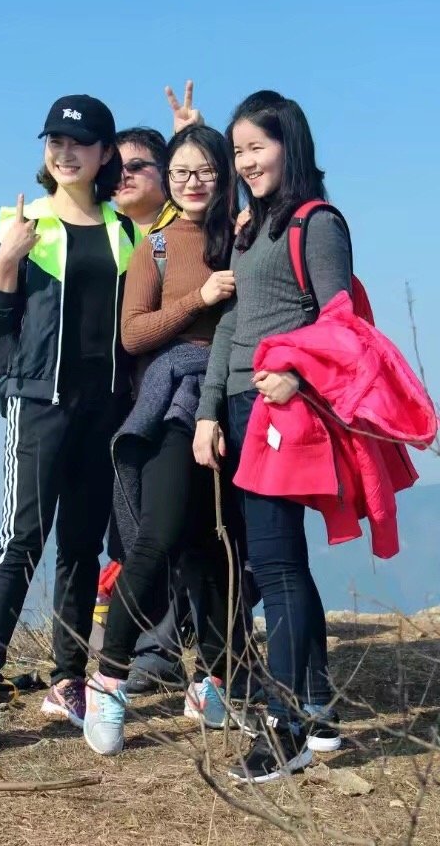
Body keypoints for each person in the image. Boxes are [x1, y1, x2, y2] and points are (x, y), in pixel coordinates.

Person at [0, 95, 141, 759]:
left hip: (103, 407)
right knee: (22, 538)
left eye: (79, 143)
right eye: (55, 142)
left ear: (104, 152)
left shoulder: (123, 228)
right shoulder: (23, 220)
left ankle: (67, 680)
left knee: (81, 546)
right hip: (39, 402)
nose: (64, 153)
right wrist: (9, 260)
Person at [193, 90, 351, 782]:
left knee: (276, 564)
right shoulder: (252, 227)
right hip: (237, 406)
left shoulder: (318, 223)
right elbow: (233, 322)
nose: (246, 162)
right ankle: (316, 707)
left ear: (290, 144)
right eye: (239, 152)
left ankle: (284, 729)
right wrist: (207, 410)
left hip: (281, 408)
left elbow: (339, 321)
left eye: (257, 147)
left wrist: (299, 377)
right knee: (281, 560)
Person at [84, 124, 250, 756]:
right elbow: (133, 335)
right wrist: (198, 300)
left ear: (223, 175)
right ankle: (108, 682)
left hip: (235, 403)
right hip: (173, 406)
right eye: (181, 172)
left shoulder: (241, 235)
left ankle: (214, 680)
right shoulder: (153, 247)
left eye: (205, 170)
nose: (192, 182)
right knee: (157, 537)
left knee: (214, 549)